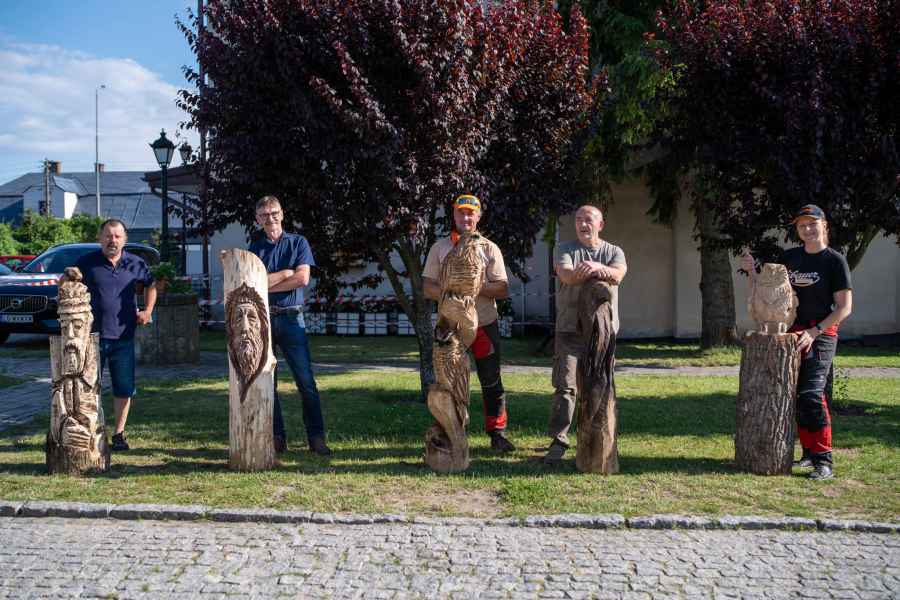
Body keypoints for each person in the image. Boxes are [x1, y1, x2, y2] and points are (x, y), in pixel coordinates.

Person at [741, 204, 852, 481]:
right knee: (793, 395)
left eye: (812, 223)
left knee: (812, 394)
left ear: (824, 225)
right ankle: (808, 453)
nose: (807, 229)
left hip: (821, 334)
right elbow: (768, 293)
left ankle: (823, 460)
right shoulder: (789, 258)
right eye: (802, 225)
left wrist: (815, 332)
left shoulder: (834, 261)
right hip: (790, 335)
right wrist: (752, 273)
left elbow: (844, 307)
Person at [423, 194, 516, 453]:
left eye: (470, 213)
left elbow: (502, 288)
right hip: (449, 327)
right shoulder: (440, 248)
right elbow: (427, 286)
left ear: (478, 216)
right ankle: (449, 430)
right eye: (461, 212)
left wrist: (472, 287)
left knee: (491, 379)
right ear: (454, 215)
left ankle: (497, 433)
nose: (465, 217)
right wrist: (451, 294)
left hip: (484, 323)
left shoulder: (489, 248)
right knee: (448, 380)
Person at [249, 195, 331, 456]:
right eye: (264, 215)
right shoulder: (255, 248)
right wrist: (286, 273)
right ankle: (277, 438)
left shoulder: (298, 243)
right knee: (267, 382)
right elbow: (251, 283)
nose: (270, 218)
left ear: (282, 214)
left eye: (274, 213)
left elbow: (302, 279)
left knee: (305, 381)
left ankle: (316, 438)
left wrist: (268, 282)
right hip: (263, 320)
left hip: (292, 319)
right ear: (257, 219)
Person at [545, 205, 627, 464]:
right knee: (565, 386)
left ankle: (599, 439)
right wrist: (599, 271)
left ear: (600, 225)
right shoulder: (564, 249)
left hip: (603, 335)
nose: (582, 224)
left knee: (601, 384)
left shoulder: (614, 251)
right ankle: (558, 441)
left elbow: (618, 274)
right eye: (578, 219)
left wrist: (594, 267)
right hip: (569, 329)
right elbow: (567, 275)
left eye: (588, 220)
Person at [75, 219, 157, 451]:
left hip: (124, 337)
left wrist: (147, 311)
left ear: (125, 239)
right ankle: (89, 432)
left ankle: (119, 434)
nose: (113, 240)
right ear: (100, 238)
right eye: (108, 236)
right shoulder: (86, 262)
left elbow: (151, 285)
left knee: (123, 387)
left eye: (117, 236)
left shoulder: (135, 263)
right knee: (88, 387)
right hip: (91, 337)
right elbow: (66, 284)